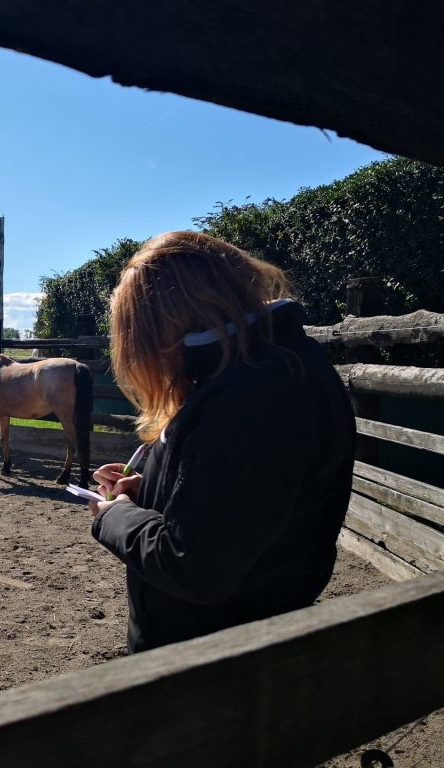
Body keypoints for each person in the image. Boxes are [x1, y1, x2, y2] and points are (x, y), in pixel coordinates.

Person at [87, 231, 356, 653]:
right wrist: (152, 492)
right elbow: (246, 503)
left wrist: (114, 515)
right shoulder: (273, 366)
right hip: (249, 639)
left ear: (169, 326)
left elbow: (193, 566)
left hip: (213, 659)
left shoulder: (250, 395)